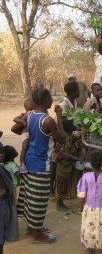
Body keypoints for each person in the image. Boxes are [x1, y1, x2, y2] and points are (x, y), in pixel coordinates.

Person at [17, 87, 67, 244]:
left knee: (29, 196)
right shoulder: (48, 120)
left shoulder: (30, 114)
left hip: (29, 161)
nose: (52, 99)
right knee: (39, 200)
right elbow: (63, 139)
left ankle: (31, 227)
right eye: (50, 97)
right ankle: (37, 235)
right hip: (41, 164)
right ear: (45, 100)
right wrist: (59, 116)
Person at [77, 149, 102, 253]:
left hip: (88, 209)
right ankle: (101, 249)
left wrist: (80, 207)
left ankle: (89, 248)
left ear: (90, 163)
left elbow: (81, 195)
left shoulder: (85, 177)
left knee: (88, 228)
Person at [54, 119, 86, 211]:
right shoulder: (68, 138)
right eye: (76, 126)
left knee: (64, 183)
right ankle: (59, 204)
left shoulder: (70, 136)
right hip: (64, 164)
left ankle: (60, 203)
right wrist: (78, 159)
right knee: (61, 184)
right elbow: (66, 154)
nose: (78, 128)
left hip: (66, 164)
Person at [0, 140, 19, 254]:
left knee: (1, 239)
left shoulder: (2, 168)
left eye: (2, 152)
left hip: (4, 205)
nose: (1, 155)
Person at [11, 98, 36, 173]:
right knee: (25, 147)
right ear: (31, 108)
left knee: (26, 147)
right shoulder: (28, 113)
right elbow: (15, 119)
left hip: (29, 134)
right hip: (26, 134)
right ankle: (22, 163)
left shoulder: (33, 113)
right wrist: (22, 120)